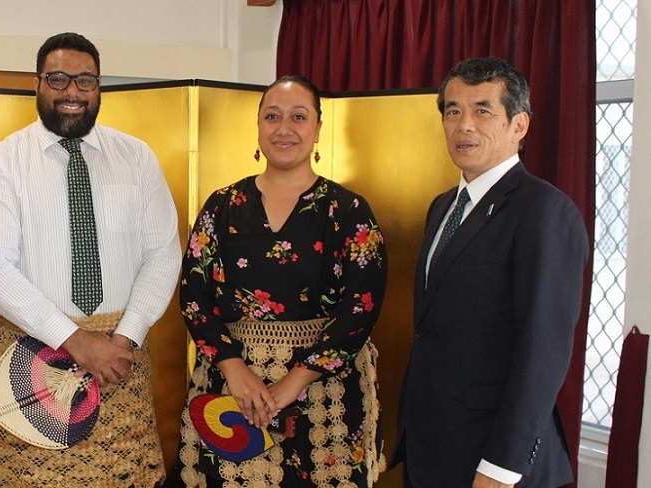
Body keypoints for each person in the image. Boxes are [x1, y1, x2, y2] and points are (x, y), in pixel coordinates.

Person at [0, 32, 181, 487]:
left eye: (86, 81)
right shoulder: (2, 163)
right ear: (37, 84)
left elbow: (162, 253)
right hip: (31, 362)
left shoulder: (137, 159)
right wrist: (77, 342)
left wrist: (125, 339)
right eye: (58, 79)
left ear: (99, 87)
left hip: (122, 360)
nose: (72, 93)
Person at [177, 74, 388, 487]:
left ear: (317, 130)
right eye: (272, 116)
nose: (284, 128)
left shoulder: (348, 211)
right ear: (258, 126)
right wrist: (235, 369)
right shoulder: (222, 205)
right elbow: (194, 296)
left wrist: (294, 381)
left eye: (298, 116)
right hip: (233, 387)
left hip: (324, 389)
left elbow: (360, 310)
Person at [390, 57, 590, 487]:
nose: (464, 125)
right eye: (453, 110)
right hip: (431, 447)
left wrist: (501, 467)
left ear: (519, 126)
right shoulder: (442, 206)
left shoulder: (544, 211)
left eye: (483, 110)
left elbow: (543, 352)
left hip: (494, 462)